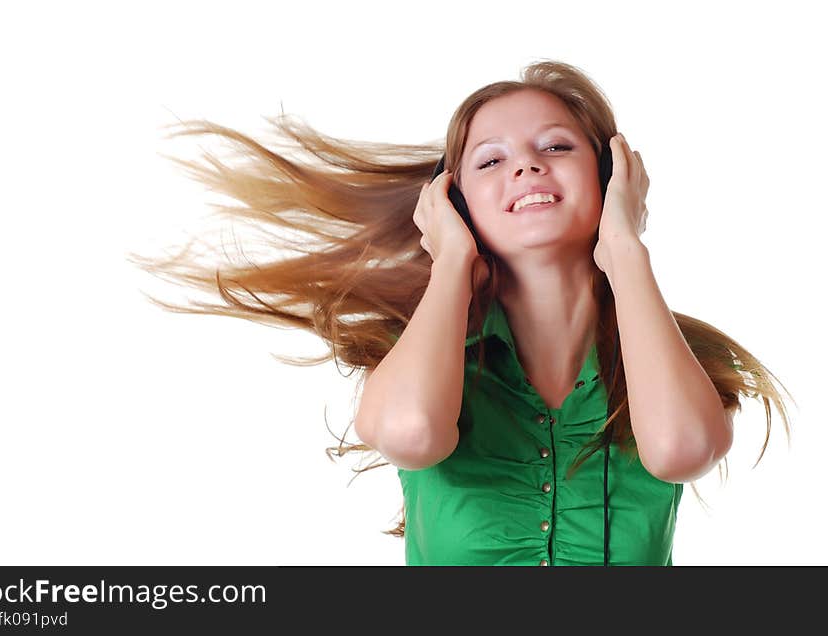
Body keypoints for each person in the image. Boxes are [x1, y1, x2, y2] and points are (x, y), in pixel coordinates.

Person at [130, 59, 794, 566]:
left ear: (612, 175)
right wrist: (451, 260)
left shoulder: (681, 358)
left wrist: (625, 244)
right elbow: (413, 432)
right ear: (455, 201)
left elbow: (682, 448)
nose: (528, 167)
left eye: (558, 148)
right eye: (491, 160)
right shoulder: (419, 354)